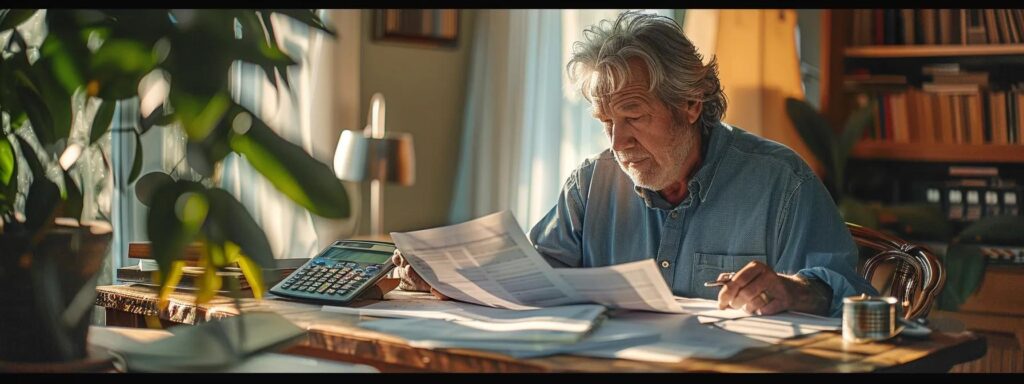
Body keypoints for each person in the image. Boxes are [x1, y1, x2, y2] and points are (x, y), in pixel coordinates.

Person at [392, 11, 877, 317]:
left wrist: (793, 291)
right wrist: (452, 279)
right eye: (605, 120)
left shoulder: (780, 181)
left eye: (634, 116)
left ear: (690, 103)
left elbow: (852, 293)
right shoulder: (591, 182)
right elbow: (536, 277)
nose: (618, 142)